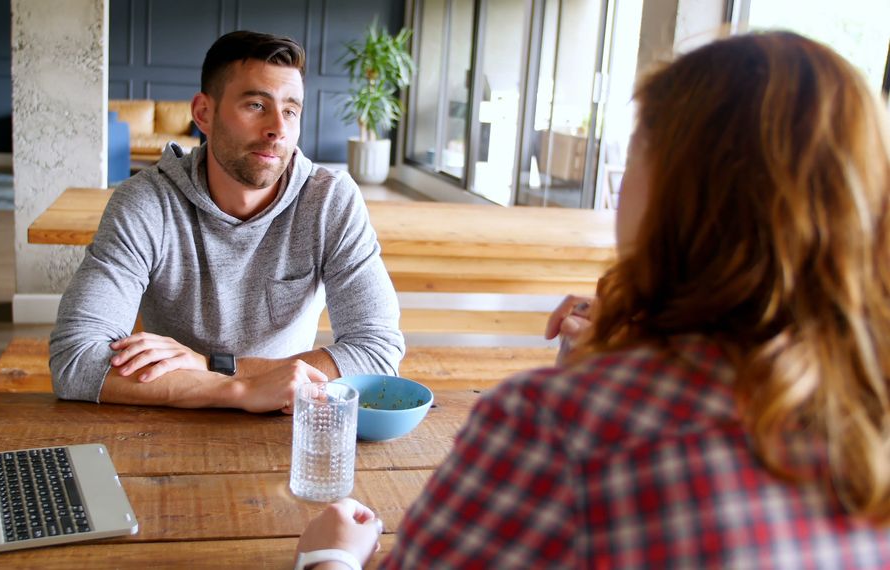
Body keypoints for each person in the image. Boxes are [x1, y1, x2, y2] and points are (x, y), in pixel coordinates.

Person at [296, 31, 890, 568]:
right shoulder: (867, 409)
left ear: (670, 193)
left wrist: (332, 559)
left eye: (634, 156)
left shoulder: (552, 426)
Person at [50, 31, 405, 413]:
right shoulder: (147, 201)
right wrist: (235, 390)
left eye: (290, 111)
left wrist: (214, 367)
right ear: (203, 113)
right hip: (169, 419)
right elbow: (75, 359)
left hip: (285, 420)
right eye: (256, 105)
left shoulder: (329, 201)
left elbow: (378, 353)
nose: (278, 129)